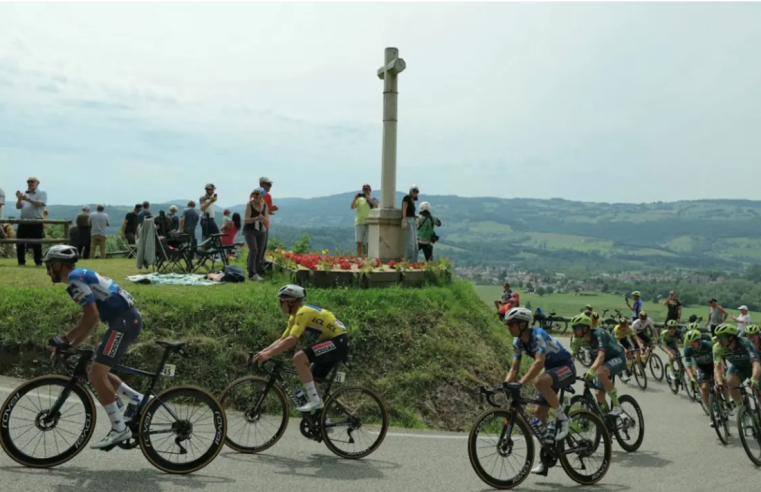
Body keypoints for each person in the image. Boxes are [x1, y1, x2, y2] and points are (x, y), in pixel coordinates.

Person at [43, 245, 145, 449]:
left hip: (123, 322)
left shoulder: (75, 278)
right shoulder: (79, 275)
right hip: (124, 320)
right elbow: (91, 320)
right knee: (96, 370)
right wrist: (69, 342)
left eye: (49, 266)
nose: (48, 271)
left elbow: (91, 318)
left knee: (96, 375)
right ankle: (137, 399)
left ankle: (119, 429)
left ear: (58, 264)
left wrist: (67, 341)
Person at [251, 285, 350, 413]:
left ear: (291, 302)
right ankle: (322, 421)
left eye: (281, 301)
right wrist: (263, 352)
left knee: (299, 358)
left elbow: (292, 340)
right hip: (334, 342)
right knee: (313, 380)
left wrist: (268, 354)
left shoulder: (303, 312)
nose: (279, 304)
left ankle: (315, 401)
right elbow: (282, 339)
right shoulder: (294, 317)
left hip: (339, 341)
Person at [503, 307, 574, 471]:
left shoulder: (538, 335)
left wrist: (520, 383)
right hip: (551, 372)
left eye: (512, 324)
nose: (509, 327)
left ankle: (563, 418)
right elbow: (514, 369)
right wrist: (505, 384)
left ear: (522, 324)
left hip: (565, 367)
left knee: (539, 381)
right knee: (538, 413)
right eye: (508, 324)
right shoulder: (518, 343)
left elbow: (539, 362)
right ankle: (546, 456)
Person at [570, 313, 626, 417]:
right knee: (598, 394)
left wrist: (591, 370)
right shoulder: (577, 338)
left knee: (600, 372)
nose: (574, 331)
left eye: (576, 328)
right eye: (573, 328)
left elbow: (601, 355)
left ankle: (618, 406)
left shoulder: (599, 333)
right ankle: (608, 421)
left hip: (617, 357)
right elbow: (571, 356)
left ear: (586, 328)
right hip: (602, 363)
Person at [713, 324, 761, 412]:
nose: (719, 341)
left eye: (721, 338)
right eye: (718, 337)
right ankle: (742, 410)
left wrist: (754, 379)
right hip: (738, 368)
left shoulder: (745, 343)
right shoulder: (717, 348)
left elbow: (755, 363)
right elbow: (717, 367)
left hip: (752, 367)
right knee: (730, 382)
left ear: (731, 337)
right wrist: (719, 382)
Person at [682, 328, 716, 425]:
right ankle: (711, 413)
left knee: (722, 382)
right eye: (689, 342)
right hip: (701, 367)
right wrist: (691, 378)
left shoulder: (709, 345)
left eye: (693, 342)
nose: (691, 345)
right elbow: (688, 366)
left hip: (713, 365)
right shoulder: (688, 350)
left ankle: (726, 401)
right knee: (704, 388)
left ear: (699, 341)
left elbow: (719, 357)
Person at [14, 176, 47, 266]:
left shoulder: (41, 193)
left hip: (35, 221)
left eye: (32, 181)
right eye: (28, 181)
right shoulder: (25, 193)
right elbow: (18, 207)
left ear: (37, 183)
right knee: (20, 242)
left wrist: (27, 199)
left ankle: (38, 262)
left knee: (36, 243)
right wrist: (20, 199)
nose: (30, 183)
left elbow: (39, 204)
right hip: (23, 221)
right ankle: (21, 262)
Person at [243, 188, 268, 281]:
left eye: (257, 194)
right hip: (250, 230)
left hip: (261, 230)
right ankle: (251, 273)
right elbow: (246, 219)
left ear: (261, 195)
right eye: (254, 194)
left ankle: (255, 272)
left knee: (260, 251)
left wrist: (262, 218)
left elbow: (267, 219)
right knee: (253, 250)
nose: (255, 195)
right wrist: (257, 218)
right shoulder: (249, 204)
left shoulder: (264, 205)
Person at [612, 318, 644, 383]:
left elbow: (635, 337)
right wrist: (624, 349)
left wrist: (640, 345)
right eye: (622, 326)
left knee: (630, 351)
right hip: (615, 340)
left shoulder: (629, 328)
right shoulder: (617, 329)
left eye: (625, 325)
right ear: (620, 325)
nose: (624, 327)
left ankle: (629, 367)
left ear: (627, 325)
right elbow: (618, 342)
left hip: (623, 338)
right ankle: (624, 374)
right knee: (623, 354)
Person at [350, 184, 378, 257]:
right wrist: (355, 198)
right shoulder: (359, 200)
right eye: (364, 190)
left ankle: (368, 257)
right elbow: (352, 207)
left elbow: (376, 205)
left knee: (368, 243)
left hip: (369, 223)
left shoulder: (373, 199)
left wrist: (368, 198)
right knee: (359, 243)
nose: (365, 191)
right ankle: (359, 258)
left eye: (367, 190)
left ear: (370, 191)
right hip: (359, 223)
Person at [400, 185, 420, 262]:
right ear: (410, 191)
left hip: (412, 220)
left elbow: (411, 212)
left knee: (415, 245)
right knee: (410, 244)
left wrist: (415, 216)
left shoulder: (412, 200)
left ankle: (414, 262)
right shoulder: (407, 198)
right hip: (408, 220)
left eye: (416, 191)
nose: (415, 193)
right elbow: (404, 209)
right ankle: (408, 262)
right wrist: (405, 220)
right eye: (414, 191)